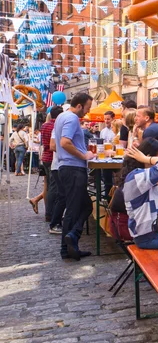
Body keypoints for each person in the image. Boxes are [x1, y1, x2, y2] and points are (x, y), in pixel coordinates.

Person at [54, 92, 95, 261]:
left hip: (67, 167)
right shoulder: (71, 119)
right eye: (87, 108)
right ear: (79, 106)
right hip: (73, 168)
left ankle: (71, 241)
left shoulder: (61, 117)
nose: (87, 111)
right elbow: (64, 142)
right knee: (74, 208)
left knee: (85, 206)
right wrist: (83, 155)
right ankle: (69, 243)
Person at [121, 138, 158, 249]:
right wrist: (145, 159)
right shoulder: (136, 176)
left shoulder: (145, 177)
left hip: (153, 234)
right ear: (149, 157)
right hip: (147, 238)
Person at [35, 107, 63, 221]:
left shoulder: (44, 125)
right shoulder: (56, 126)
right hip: (52, 157)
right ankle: (50, 213)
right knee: (54, 186)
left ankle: (49, 211)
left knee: (49, 185)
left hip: (46, 156)